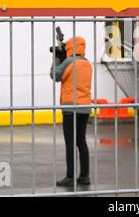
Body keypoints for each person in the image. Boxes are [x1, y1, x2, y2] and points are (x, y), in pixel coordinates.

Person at [50, 36, 93, 187]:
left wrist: (56, 58)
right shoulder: (87, 63)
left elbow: (55, 75)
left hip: (70, 108)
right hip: (85, 107)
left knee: (70, 143)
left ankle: (70, 176)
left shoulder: (69, 62)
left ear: (70, 48)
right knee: (81, 141)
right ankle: (85, 176)